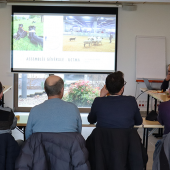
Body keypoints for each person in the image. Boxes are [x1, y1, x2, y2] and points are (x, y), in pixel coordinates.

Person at [25, 75, 82, 140]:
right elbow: (78, 134)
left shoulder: (34, 111)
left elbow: (28, 138)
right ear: (62, 90)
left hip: (40, 149)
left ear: (45, 89)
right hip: (68, 149)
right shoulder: (73, 109)